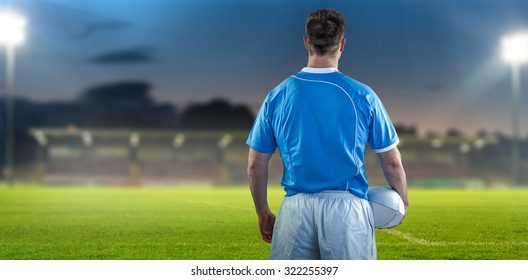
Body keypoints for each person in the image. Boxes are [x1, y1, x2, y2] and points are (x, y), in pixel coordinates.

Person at [246, 8, 408, 260]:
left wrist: (263, 212)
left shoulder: (277, 95)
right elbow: (392, 161)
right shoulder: (363, 95)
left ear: (305, 42)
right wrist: (402, 203)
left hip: (295, 211)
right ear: (342, 44)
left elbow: (256, 163)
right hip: (347, 212)